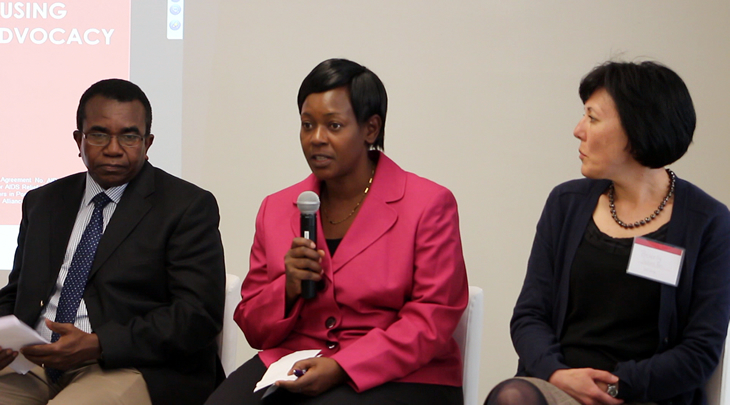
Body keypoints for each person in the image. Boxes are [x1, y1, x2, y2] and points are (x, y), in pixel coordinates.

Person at [205, 58, 468, 405]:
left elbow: (431, 319)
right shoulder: (277, 207)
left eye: (334, 125)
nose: (316, 139)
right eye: (307, 125)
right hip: (294, 359)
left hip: (405, 373)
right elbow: (253, 325)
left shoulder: (428, 204)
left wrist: (343, 366)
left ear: (370, 129)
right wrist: (288, 288)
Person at [486, 61, 730, 405]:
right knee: (513, 397)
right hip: (560, 387)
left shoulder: (708, 222)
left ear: (637, 129)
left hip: (646, 394)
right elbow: (530, 315)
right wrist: (558, 375)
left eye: (593, 118)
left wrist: (615, 386)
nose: (578, 130)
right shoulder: (566, 203)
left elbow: (701, 350)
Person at [0, 79, 226, 405]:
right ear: (79, 140)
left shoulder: (186, 206)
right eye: (99, 134)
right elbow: (18, 291)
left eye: (129, 136)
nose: (114, 148)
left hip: (130, 365)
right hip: (34, 363)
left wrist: (99, 343)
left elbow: (196, 316)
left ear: (148, 143)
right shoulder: (44, 202)